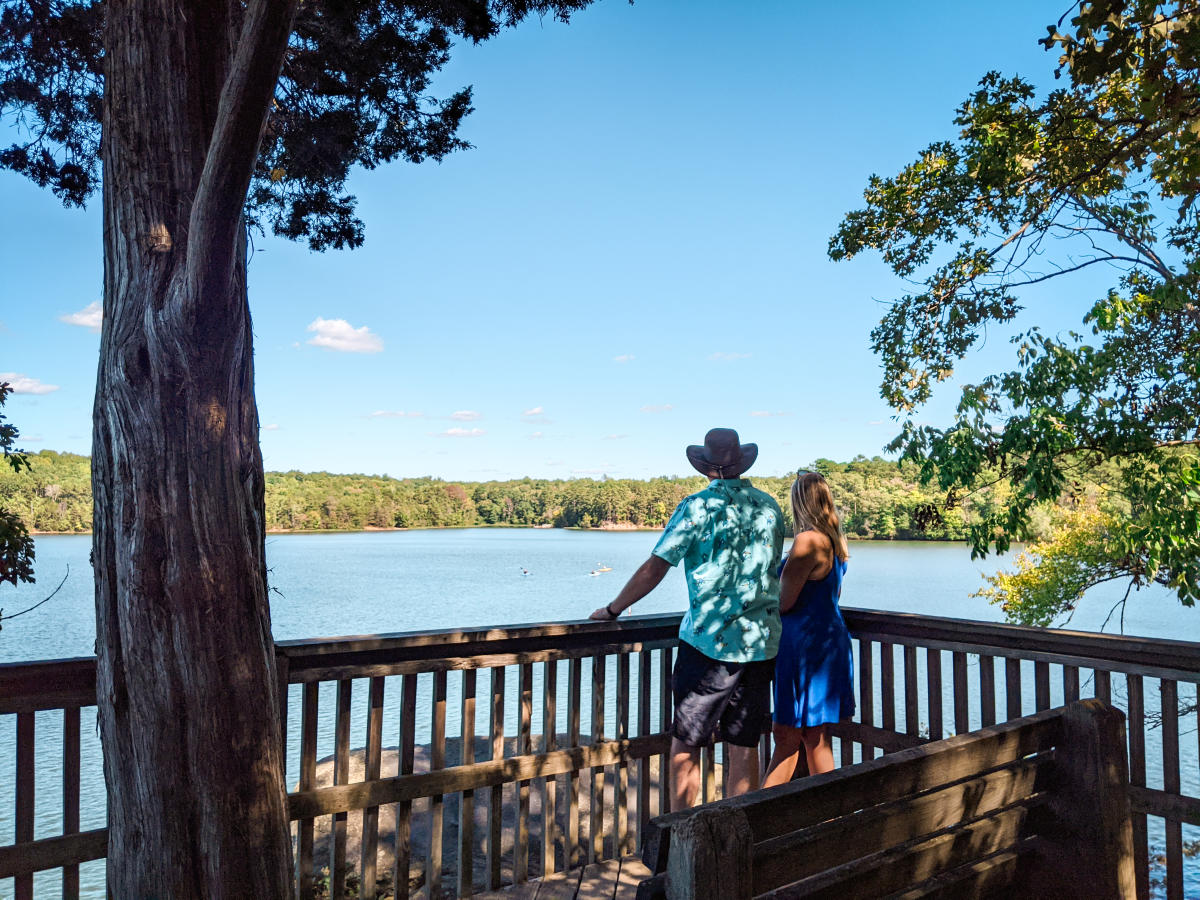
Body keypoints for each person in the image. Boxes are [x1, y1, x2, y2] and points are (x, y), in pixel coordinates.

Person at [590, 428, 784, 809]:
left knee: (687, 741)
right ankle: (738, 833)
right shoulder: (769, 506)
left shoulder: (697, 507)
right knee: (745, 743)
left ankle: (684, 833)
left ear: (706, 467)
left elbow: (656, 567)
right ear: (741, 463)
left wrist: (613, 609)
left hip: (708, 644)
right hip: (760, 644)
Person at [761, 470, 854, 788]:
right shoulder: (835, 541)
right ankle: (833, 818)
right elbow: (831, 597)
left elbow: (783, 602)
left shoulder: (807, 540)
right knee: (815, 737)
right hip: (827, 641)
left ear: (799, 502)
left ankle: (758, 821)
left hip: (803, 647)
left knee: (786, 735)